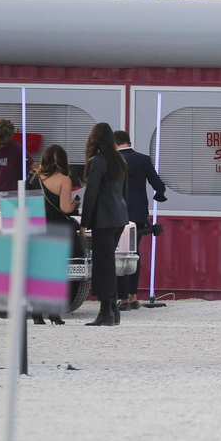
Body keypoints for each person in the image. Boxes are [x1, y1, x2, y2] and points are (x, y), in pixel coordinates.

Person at [79, 123, 129, 326]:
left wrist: (84, 223)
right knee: (109, 263)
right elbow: (124, 191)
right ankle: (113, 310)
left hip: (103, 219)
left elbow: (91, 194)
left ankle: (106, 311)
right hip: (119, 217)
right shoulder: (120, 159)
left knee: (103, 264)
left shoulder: (96, 161)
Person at [26, 144, 81, 326]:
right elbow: (65, 208)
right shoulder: (64, 180)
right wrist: (75, 204)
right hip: (57, 229)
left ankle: (36, 312)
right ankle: (54, 313)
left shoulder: (33, 178)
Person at [114, 129, 166, 312]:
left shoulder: (112, 160)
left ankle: (122, 299)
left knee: (120, 255)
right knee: (134, 254)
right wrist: (159, 195)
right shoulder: (143, 159)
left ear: (114, 144)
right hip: (138, 214)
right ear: (129, 142)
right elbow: (158, 185)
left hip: (117, 214)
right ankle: (133, 296)